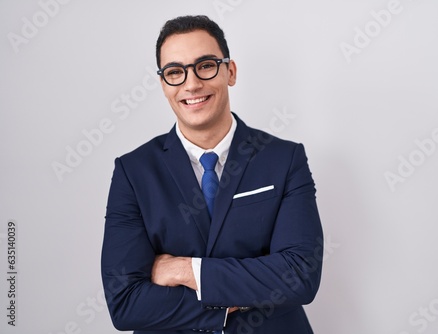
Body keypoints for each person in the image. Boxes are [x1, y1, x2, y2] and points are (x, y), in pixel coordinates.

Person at [101, 15, 323, 334]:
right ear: (163, 84)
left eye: (205, 65)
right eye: (175, 72)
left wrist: (186, 270)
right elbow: (125, 302)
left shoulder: (284, 159)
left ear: (229, 72)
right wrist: (240, 294)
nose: (192, 84)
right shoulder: (133, 171)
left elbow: (300, 275)